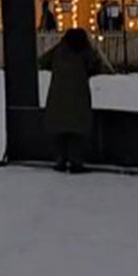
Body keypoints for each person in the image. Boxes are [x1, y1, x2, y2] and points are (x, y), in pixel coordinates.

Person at [39, 27, 102, 172]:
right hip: (78, 96)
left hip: (58, 96)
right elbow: (96, 66)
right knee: (77, 131)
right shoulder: (85, 51)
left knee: (60, 129)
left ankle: (60, 160)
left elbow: (43, 61)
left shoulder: (59, 50)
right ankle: (76, 162)